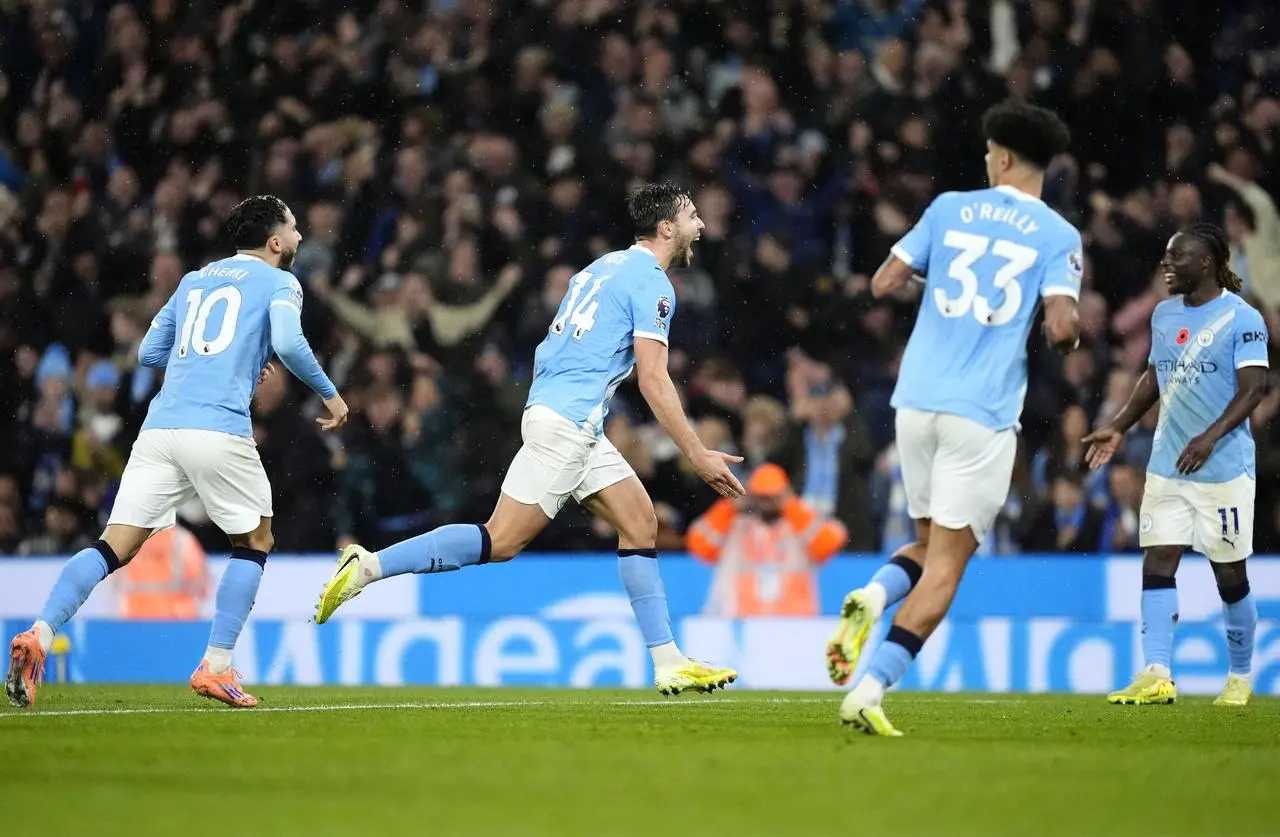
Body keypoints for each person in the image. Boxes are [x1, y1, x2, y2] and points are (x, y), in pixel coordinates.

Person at [313, 182, 744, 696]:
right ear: (666, 228)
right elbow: (653, 380)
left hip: (563, 416)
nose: (700, 225)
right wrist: (696, 453)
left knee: (640, 521)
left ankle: (668, 660)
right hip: (569, 424)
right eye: (692, 216)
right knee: (500, 540)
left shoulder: (598, 269)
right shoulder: (654, 283)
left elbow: (549, 346)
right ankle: (369, 566)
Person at [5, 195, 349, 710]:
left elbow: (148, 352)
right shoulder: (281, 282)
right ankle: (215, 667)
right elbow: (292, 344)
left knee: (113, 545)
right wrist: (331, 394)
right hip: (218, 429)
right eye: (294, 229)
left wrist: (212, 362)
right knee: (256, 538)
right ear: (275, 241)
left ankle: (38, 631)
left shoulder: (195, 280)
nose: (300, 237)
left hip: (161, 428)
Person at [827, 101, 1082, 735]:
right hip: (982, 412)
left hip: (915, 402)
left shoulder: (947, 208)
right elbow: (1061, 326)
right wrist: (1066, 336)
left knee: (924, 543)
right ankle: (872, 687)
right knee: (950, 562)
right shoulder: (1057, 234)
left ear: (1001, 157)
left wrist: (938, 285)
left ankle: (876, 594)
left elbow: (885, 283)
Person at [1083, 223, 1267, 708]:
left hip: (1223, 467)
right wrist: (1120, 425)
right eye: (1166, 257)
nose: (1167, 264)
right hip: (1168, 464)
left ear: (1205, 262)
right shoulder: (1164, 315)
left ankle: (1241, 675)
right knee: (1159, 560)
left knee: (1228, 574)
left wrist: (1210, 437)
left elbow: (1254, 388)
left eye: (1176, 257)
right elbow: (1154, 377)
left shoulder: (1242, 318)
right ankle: (1158, 673)